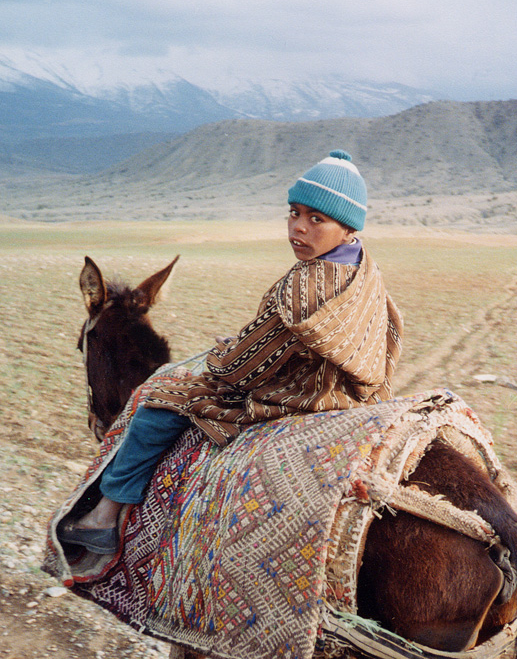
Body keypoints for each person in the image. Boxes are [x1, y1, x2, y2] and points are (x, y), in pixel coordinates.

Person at [60, 149, 403, 554]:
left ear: (347, 228)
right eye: (294, 213)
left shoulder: (303, 286)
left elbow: (241, 369)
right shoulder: (364, 268)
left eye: (317, 219)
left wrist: (222, 357)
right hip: (355, 395)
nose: (299, 228)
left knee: (157, 408)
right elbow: (388, 336)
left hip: (301, 396)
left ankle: (102, 518)